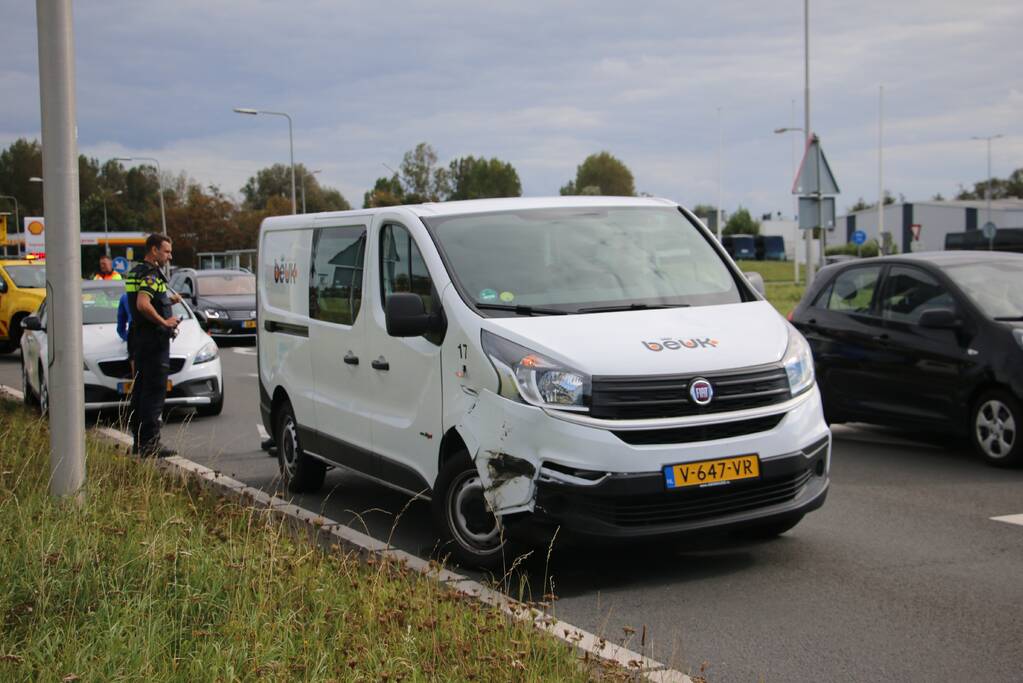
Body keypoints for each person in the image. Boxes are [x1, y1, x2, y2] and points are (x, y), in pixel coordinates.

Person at [125, 234, 180, 458]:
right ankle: (150, 443)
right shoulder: (150, 274)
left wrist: (168, 300)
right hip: (153, 340)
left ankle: (139, 441)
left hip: (140, 339)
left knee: (140, 391)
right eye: (166, 251)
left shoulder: (136, 271)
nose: (169, 256)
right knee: (154, 392)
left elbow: (147, 298)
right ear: (154, 250)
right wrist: (164, 321)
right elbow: (143, 304)